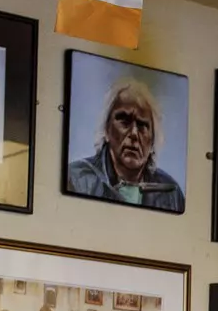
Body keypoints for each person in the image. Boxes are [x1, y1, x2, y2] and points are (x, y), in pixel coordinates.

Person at [66, 76, 183, 211]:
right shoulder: (76, 180)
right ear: (106, 129)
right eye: (124, 122)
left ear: (152, 141)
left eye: (142, 125)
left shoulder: (171, 193)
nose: (133, 133)